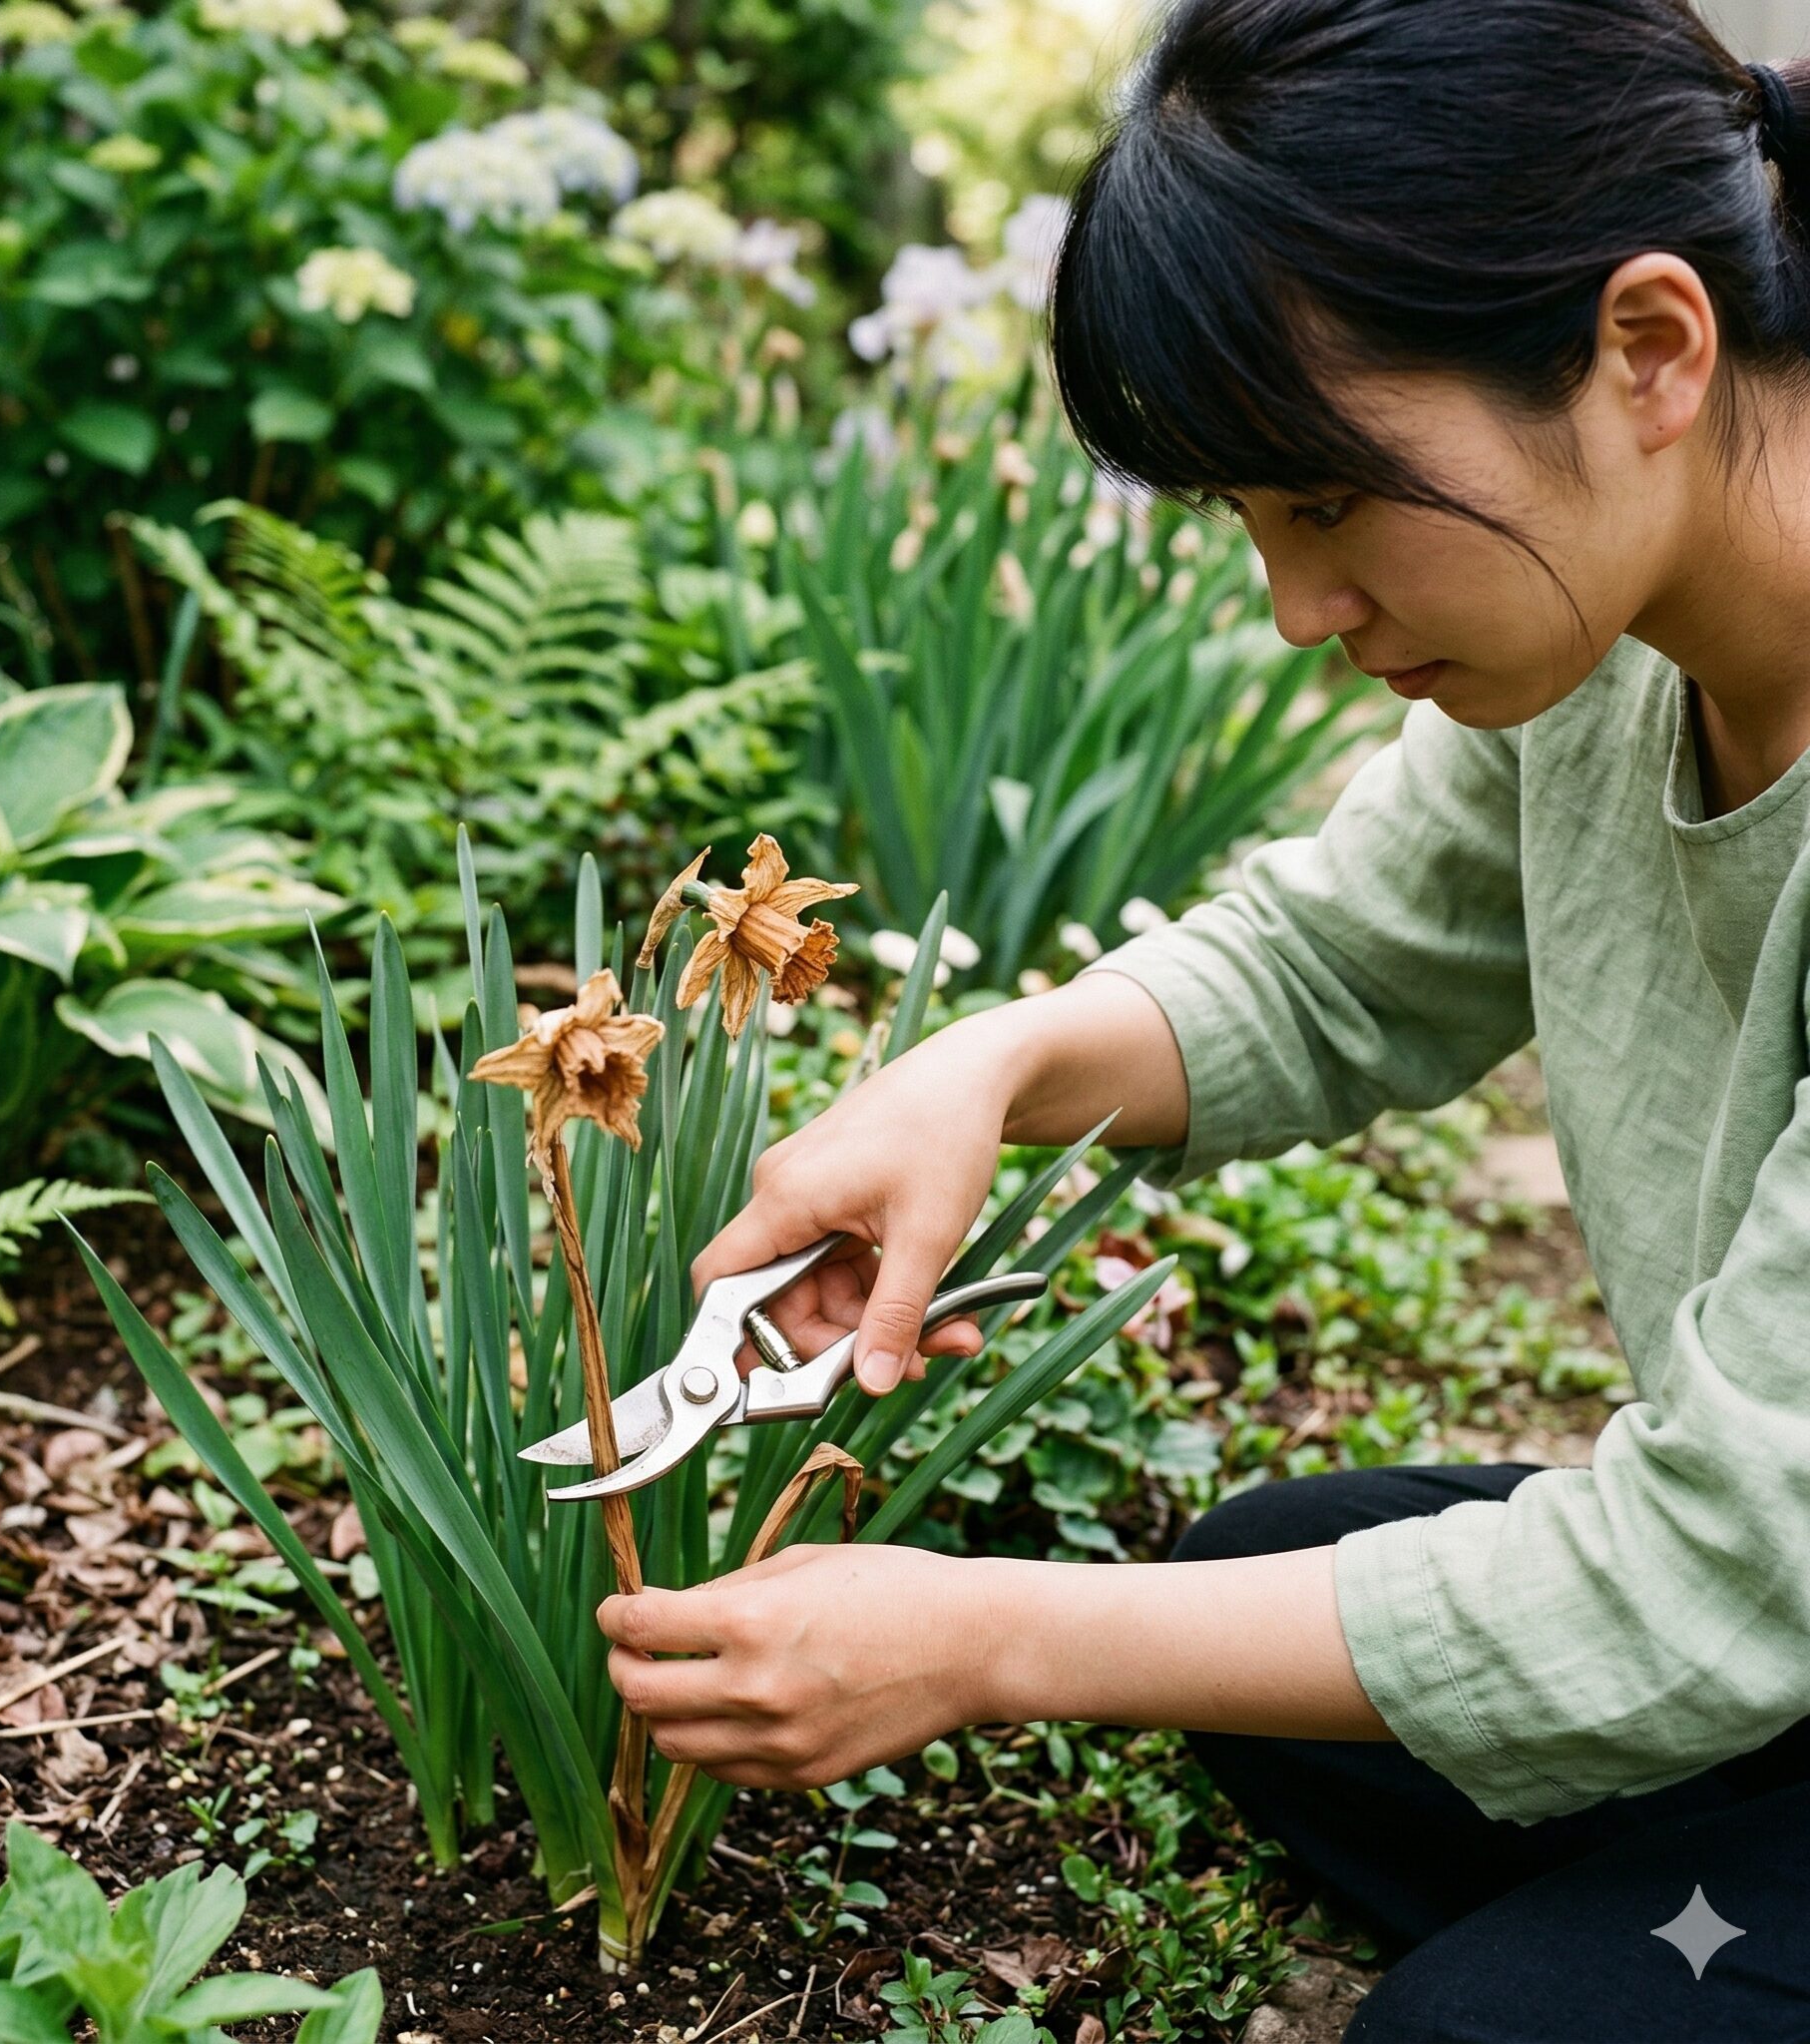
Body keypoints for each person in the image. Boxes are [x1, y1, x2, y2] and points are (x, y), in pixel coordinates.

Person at [594, 1, 1810, 2033]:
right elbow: (1343, 961)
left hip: (1767, 1566)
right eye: (1251, 523)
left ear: (1649, 350)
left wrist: (985, 1641)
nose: (1295, 612)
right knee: (1274, 1609)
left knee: (1482, 2024)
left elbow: (1713, 1575)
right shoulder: (1615, 632)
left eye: (1325, 502)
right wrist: (988, 1071)